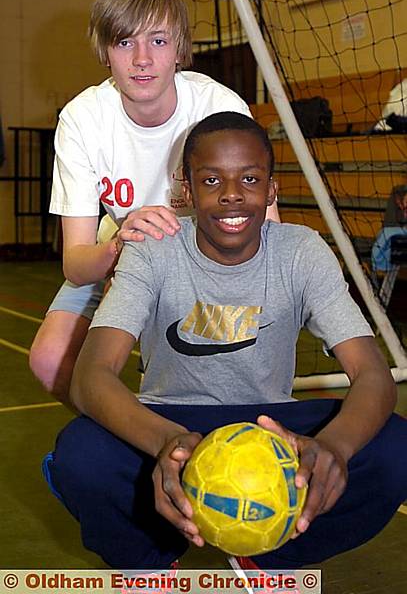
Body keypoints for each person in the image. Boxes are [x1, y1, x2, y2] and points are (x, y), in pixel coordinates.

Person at [45, 112, 407, 575]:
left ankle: (270, 553)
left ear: (272, 190)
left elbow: (373, 376)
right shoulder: (152, 250)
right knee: (81, 454)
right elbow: (90, 378)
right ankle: (148, 563)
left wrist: (333, 448)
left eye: (250, 178)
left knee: (395, 445)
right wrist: (167, 444)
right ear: (186, 190)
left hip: (268, 426)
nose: (231, 194)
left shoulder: (302, 250)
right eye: (212, 179)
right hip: (172, 420)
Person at [29, 0, 279, 404]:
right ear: (106, 51)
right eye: (126, 42)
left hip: (209, 257)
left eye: (158, 41)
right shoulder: (82, 120)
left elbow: (268, 234)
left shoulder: (218, 108)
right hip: (120, 250)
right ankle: (129, 437)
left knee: (196, 374)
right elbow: (75, 263)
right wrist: (119, 252)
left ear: (180, 50)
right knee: (50, 358)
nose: (142, 58)